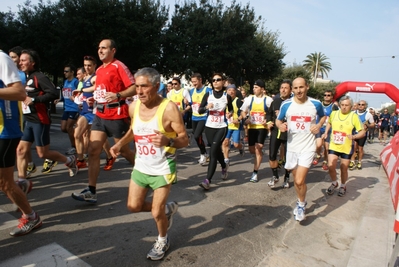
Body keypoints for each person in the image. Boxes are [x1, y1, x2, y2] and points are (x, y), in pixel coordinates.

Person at [109, 67, 188, 260]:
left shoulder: (169, 108)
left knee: (155, 212)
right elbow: (133, 129)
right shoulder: (134, 106)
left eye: (144, 87)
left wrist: (168, 141)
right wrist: (120, 143)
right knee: (133, 206)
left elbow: (185, 140)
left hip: (162, 168)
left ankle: (163, 239)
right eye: (137, 87)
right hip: (141, 166)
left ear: (157, 86)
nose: (139, 91)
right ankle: (167, 210)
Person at [72, 39, 136, 203]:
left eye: (104, 48)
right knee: (93, 150)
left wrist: (118, 95)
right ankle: (91, 190)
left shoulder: (118, 66)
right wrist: (94, 99)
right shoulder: (99, 70)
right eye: (99, 48)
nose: (100, 51)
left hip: (117, 115)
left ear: (113, 50)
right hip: (100, 115)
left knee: (123, 151)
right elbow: (101, 91)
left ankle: (146, 173)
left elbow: (134, 87)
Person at [16, 49, 78, 190]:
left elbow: (53, 93)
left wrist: (35, 99)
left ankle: (69, 160)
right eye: (20, 60)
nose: (21, 62)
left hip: (40, 119)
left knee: (42, 153)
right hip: (29, 120)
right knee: (20, 150)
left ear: (33, 62)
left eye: (23, 60)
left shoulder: (39, 77)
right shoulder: (27, 77)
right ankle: (22, 181)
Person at [0, 50, 42, 236]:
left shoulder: (1, 58)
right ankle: (21, 186)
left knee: (5, 183)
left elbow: (19, 91)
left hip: (4, 131)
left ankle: (31, 216)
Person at [275, 77, 325, 222]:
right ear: (292, 89)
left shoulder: (315, 104)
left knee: (299, 179)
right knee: (298, 182)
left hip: (308, 147)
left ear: (307, 87)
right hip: (292, 147)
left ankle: (301, 205)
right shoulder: (286, 104)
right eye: (296, 88)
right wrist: (280, 126)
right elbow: (279, 119)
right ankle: (300, 200)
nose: (298, 91)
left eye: (301, 87)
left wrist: (319, 125)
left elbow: (323, 117)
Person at [323, 96, 365, 197]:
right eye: (342, 105)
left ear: (351, 106)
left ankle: (342, 185)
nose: (344, 107)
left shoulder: (353, 116)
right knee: (331, 166)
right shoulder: (334, 113)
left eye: (346, 105)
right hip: (334, 145)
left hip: (346, 147)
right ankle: (334, 183)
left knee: (344, 168)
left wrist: (354, 136)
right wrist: (326, 132)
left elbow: (362, 131)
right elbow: (329, 123)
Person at [198, 73, 233, 190]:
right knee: (216, 150)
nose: (216, 82)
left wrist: (230, 114)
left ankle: (207, 180)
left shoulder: (226, 96)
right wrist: (207, 107)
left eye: (218, 80)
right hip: (209, 127)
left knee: (213, 152)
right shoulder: (208, 95)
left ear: (223, 82)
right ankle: (224, 165)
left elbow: (231, 110)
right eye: (213, 80)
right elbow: (199, 110)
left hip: (221, 127)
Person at [239, 79, 270, 183]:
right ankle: (259, 153)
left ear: (262, 89)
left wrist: (268, 120)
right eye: (253, 87)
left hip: (262, 127)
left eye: (256, 87)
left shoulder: (268, 100)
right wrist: (245, 118)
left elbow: (272, 114)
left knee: (258, 147)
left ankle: (255, 173)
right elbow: (243, 111)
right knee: (252, 149)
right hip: (251, 127)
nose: (254, 89)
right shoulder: (249, 99)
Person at [266, 79, 292, 188]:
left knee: (288, 158)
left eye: (286, 88)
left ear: (290, 90)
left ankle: (286, 177)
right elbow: (269, 114)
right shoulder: (275, 101)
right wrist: (268, 122)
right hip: (276, 132)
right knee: (272, 156)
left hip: (289, 134)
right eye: (282, 88)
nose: (283, 90)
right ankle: (275, 176)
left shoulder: (294, 102)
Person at [54, 64, 80, 155]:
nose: (64, 73)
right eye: (64, 71)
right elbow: (66, 94)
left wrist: (78, 100)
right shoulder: (65, 82)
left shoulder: (75, 82)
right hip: (66, 108)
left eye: (66, 71)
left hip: (74, 108)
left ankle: (75, 147)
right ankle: (77, 137)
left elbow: (80, 92)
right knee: (63, 128)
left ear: (72, 72)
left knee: (69, 127)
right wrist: (60, 99)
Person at [189, 73, 212, 165]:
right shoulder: (191, 91)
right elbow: (191, 103)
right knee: (197, 136)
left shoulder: (207, 90)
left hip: (204, 116)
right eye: (192, 82)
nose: (194, 83)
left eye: (195, 81)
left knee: (196, 135)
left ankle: (203, 153)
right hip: (194, 116)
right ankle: (204, 153)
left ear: (200, 80)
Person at [222, 84, 244, 167]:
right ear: (226, 92)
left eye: (233, 90)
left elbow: (244, 113)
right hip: (226, 125)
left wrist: (238, 119)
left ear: (235, 92)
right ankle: (226, 160)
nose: (231, 92)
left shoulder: (238, 101)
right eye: (229, 90)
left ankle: (241, 147)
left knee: (236, 145)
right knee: (225, 142)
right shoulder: (223, 100)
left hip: (235, 126)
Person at [348, 100, 374, 170]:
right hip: (354, 133)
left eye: (362, 104)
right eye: (359, 104)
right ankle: (352, 161)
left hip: (362, 134)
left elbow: (373, 124)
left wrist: (367, 125)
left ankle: (359, 162)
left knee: (360, 149)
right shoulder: (353, 113)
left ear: (365, 106)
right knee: (353, 148)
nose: (360, 106)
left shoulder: (368, 114)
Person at [317, 90, 339, 170]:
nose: (326, 96)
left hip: (329, 128)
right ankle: (318, 154)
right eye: (325, 94)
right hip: (319, 127)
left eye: (328, 95)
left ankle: (325, 161)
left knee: (326, 147)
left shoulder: (334, 107)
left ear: (332, 97)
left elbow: (336, 118)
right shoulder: (319, 104)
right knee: (318, 145)